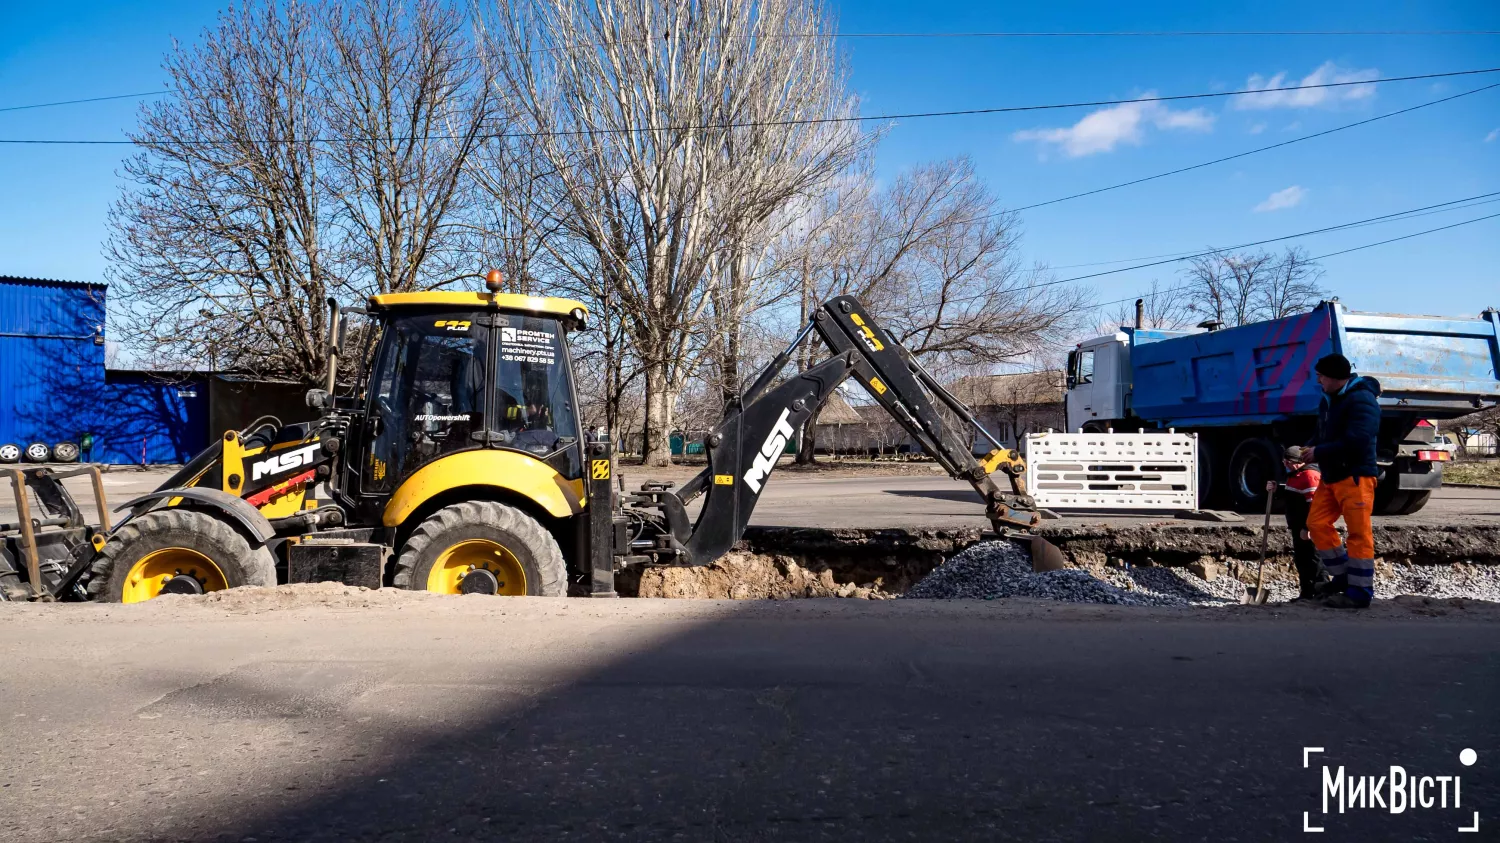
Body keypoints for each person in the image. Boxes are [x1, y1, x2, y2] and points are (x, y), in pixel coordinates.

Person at [1303, 353, 1382, 609]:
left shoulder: (1361, 399)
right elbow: (1322, 434)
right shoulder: (1330, 399)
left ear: (1336, 377)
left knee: (1359, 534)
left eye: (1321, 376)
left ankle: (1360, 593)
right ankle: (1345, 576)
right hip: (1333, 475)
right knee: (1316, 524)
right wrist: (1307, 450)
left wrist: (1319, 452)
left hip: (1356, 475)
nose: (1318, 381)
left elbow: (1358, 439)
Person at [1275, 446, 1326, 601]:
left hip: (1309, 526)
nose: (1284, 465)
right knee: (1302, 559)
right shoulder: (1295, 474)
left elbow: (1315, 505)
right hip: (1298, 525)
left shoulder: (1310, 476)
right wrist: (1276, 489)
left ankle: (1321, 592)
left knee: (1314, 559)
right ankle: (1307, 593)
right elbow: (1293, 495)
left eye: (1287, 462)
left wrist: (1308, 527)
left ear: (1296, 462)